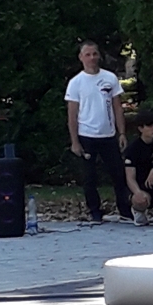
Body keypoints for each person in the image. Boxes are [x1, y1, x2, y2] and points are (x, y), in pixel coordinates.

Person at [65, 40, 131, 223]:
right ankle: (94, 211)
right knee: (89, 177)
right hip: (86, 135)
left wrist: (122, 132)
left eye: (94, 54)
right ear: (81, 57)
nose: (92, 58)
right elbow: (72, 114)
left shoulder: (110, 78)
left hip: (108, 135)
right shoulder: (76, 83)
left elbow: (118, 108)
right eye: (88, 54)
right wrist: (75, 141)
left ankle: (125, 210)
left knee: (118, 174)